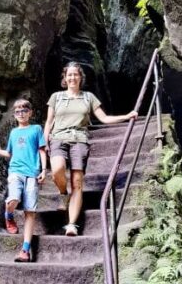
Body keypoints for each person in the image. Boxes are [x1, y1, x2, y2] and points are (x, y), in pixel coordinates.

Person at [44, 62, 137, 236]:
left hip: (80, 140)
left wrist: (126, 116)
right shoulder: (56, 97)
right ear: (64, 78)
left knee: (77, 183)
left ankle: (71, 224)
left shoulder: (89, 97)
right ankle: (63, 194)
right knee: (57, 171)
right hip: (58, 139)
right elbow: (49, 122)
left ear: (81, 78)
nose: (72, 77)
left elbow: (104, 118)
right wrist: (44, 143)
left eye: (75, 75)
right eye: (69, 75)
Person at [0, 98, 47, 262]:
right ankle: (8, 215)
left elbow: (42, 150)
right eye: (17, 111)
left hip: (32, 173)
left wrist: (44, 170)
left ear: (30, 112)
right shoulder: (14, 133)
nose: (21, 113)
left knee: (30, 211)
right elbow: (9, 153)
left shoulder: (36, 129)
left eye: (24, 110)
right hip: (15, 171)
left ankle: (25, 250)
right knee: (14, 199)